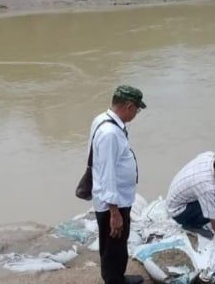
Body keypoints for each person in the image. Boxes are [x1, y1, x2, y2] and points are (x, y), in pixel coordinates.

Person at [90, 85, 146, 284]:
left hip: (116, 199)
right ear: (129, 106)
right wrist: (114, 212)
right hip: (113, 202)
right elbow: (108, 173)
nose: (136, 114)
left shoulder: (102, 120)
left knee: (115, 244)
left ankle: (116, 278)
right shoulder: (110, 133)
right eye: (137, 110)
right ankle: (114, 280)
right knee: (114, 244)